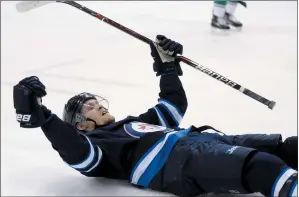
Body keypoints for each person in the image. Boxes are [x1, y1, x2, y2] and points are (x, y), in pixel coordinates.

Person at [13, 35, 297, 197]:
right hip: (180, 164)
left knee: (288, 148)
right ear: (81, 125)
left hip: (203, 141)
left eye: (95, 100)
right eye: (87, 106)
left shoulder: (134, 124)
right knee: (263, 167)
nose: (96, 104)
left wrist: (168, 68)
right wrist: (44, 118)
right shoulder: (98, 144)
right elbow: (75, 151)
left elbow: (172, 104)